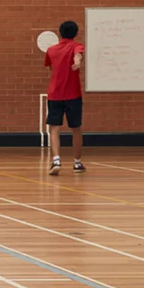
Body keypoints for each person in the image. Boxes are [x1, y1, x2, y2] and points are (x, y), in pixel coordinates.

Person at [45, 20, 86, 176]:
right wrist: (76, 63)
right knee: (76, 129)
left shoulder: (51, 50)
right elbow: (78, 56)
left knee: (54, 128)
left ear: (59, 33)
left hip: (55, 94)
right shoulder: (77, 46)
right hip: (73, 95)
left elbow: (50, 68)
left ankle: (56, 160)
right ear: (75, 34)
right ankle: (77, 163)